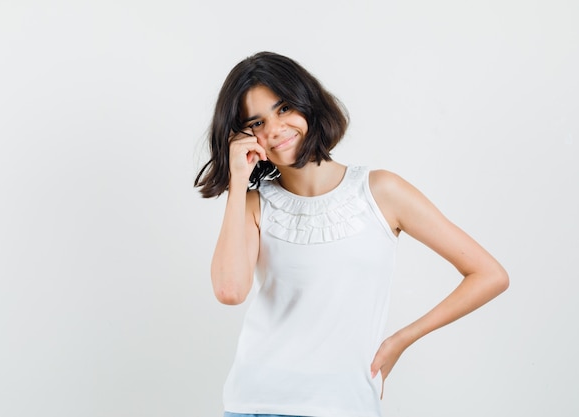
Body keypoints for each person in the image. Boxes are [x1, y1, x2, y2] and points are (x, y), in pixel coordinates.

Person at [194, 51, 509, 417]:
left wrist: (400, 341)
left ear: (307, 103)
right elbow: (230, 292)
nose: (275, 129)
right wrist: (237, 179)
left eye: (283, 109)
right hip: (256, 402)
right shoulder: (253, 204)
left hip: (345, 404)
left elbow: (490, 275)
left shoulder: (381, 191)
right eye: (256, 123)